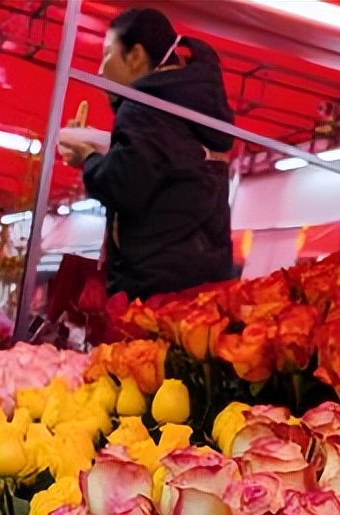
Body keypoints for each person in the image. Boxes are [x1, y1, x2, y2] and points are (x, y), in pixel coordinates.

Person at [58, 8, 236, 301]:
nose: (100, 70)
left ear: (136, 56)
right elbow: (163, 163)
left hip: (153, 287)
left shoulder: (144, 106)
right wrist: (106, 148)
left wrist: (88, 158)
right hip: (204, 280)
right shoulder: (192, 103)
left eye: (106, 54)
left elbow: (124, 185)